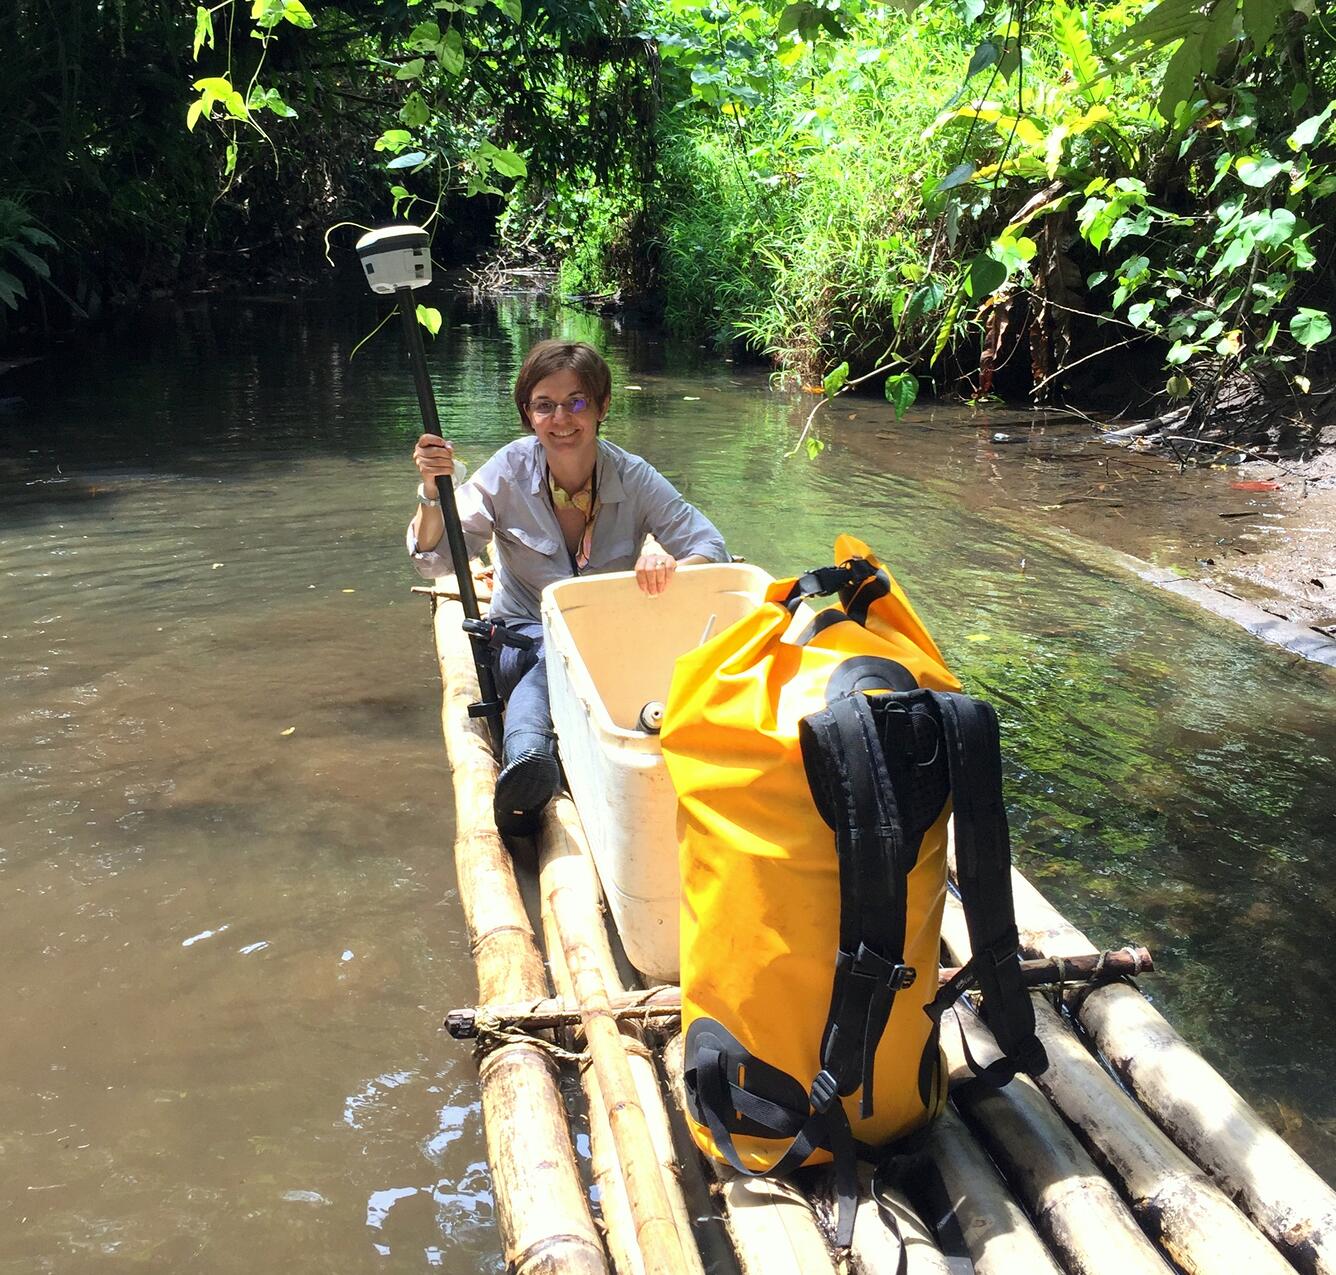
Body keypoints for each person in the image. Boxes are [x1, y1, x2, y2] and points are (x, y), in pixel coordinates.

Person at [408, 339, 728, 834]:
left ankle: (534, 759)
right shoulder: (507, 471)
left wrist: (672, 562)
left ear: (602, 407)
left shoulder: (633, 476)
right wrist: (432, 492)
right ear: (528, 414)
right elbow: (435, 559)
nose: (561, 419)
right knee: (550, 652)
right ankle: (528, 752)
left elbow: (711, 547)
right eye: (545, 405)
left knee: (592, 659)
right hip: (523, 640)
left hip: (608, 647)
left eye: (577, 402)